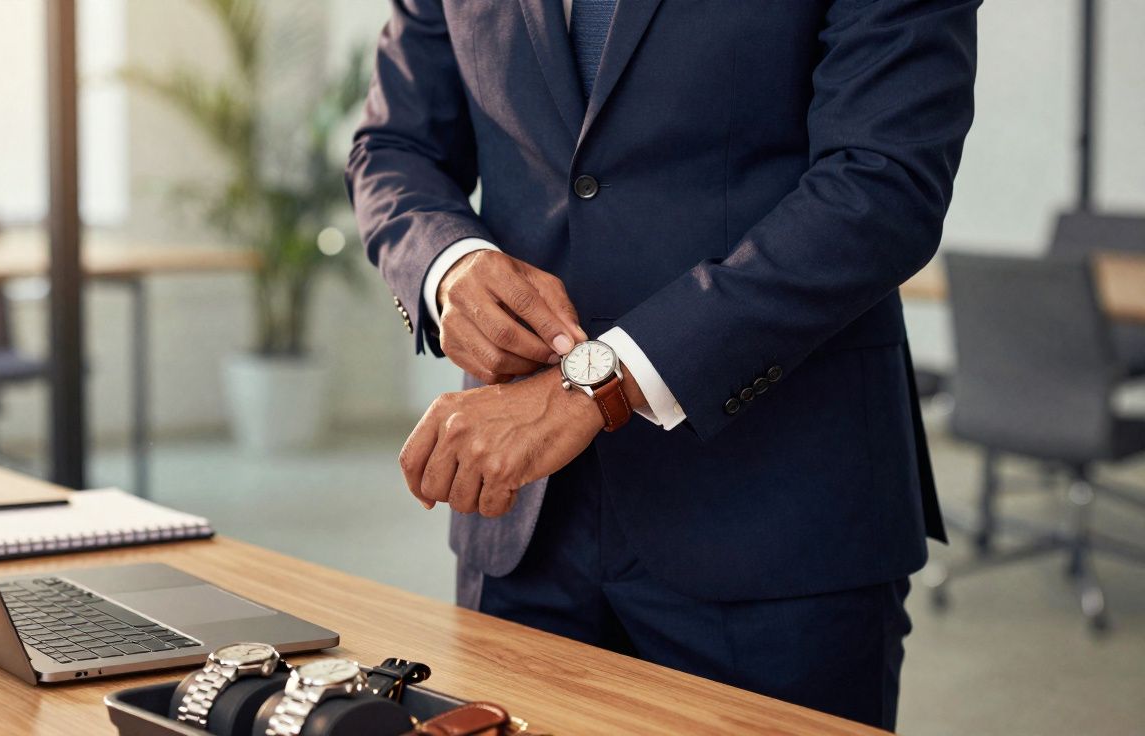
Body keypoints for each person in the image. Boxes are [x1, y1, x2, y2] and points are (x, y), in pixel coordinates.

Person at [346, 1, 977, 729]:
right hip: (524, 524)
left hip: (779, 517)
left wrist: (599, 382)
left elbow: (880, 185)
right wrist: (446, 266)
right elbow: (393, 144)